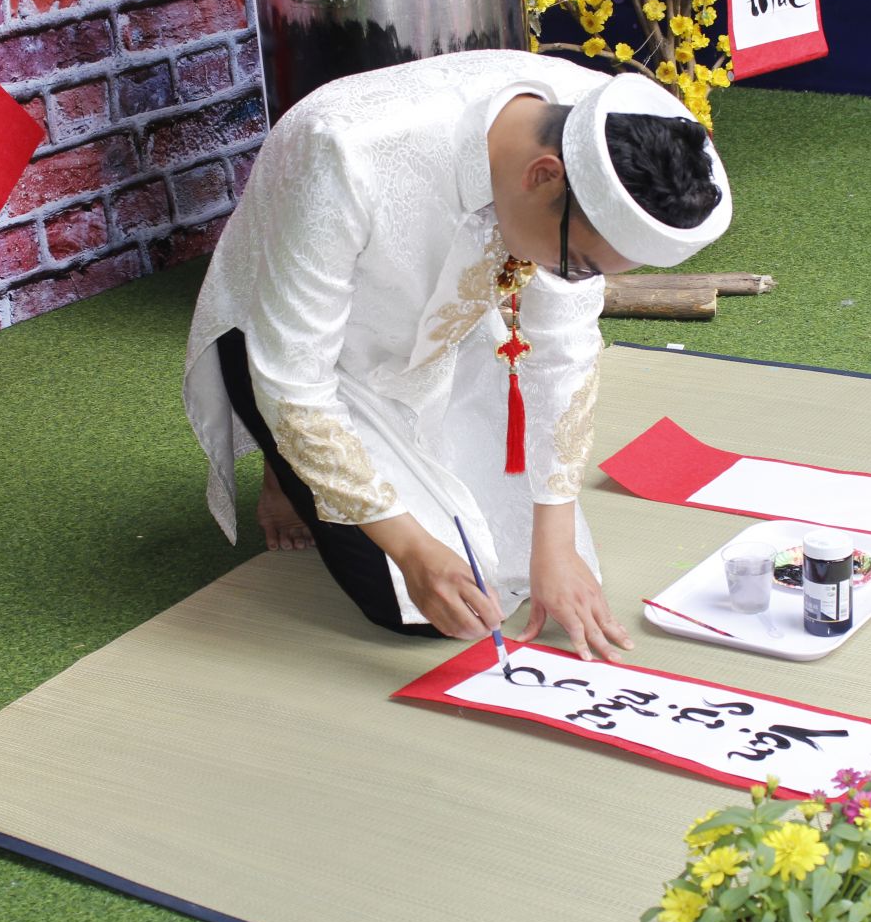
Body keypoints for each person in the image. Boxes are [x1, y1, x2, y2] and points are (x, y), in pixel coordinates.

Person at [183, 49, 730, 662]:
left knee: (520, 570)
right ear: (542, 175)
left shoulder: (605, 129)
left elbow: (563, 352)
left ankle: (317, 474)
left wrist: (554, 543)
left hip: (452, 329)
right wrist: (413, 550)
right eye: (576, 263)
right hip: (299, 347)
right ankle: (283, 465)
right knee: (417, 607)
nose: (573, 281)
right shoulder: (342, 148)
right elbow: (293, 375)